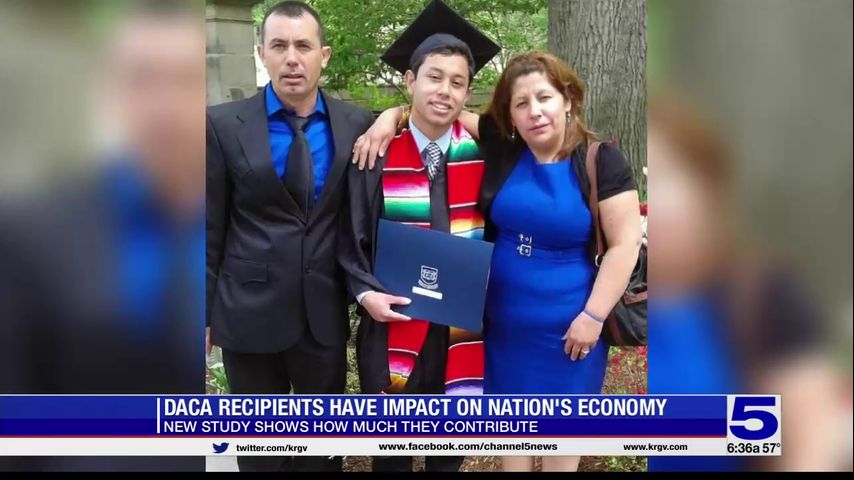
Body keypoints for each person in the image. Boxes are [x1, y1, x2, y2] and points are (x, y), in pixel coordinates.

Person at [355, 51, 642, 472]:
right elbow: (439, 109)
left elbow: (625, 244)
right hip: (503, 328)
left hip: (571, 330)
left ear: (567, 100)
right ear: (510, 115)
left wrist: (594, 316)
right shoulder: (505, 150)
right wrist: (390, 115)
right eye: (520, 103)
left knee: (562, 440)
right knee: (513, 441)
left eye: (544, 97)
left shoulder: (600, 161)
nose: (534, 111)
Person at [206, 0, 374, 472]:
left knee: (322, 454)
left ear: (325, 55)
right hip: (247, 313)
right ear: (262, 53)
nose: (292, 58)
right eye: (279, 46)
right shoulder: (221, 125)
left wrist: (395, 113)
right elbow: (208, 225)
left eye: (303, 46)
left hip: (322, 315)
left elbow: (422, 114)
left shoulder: (356, 124)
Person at [337, 0, 500, 472]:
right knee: (391, 455)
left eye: (457, 82)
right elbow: (350, 237)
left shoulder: (487, 158)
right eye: (434, 77)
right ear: (410, 81)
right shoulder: (374, 153)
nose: (444, 91)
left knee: (448, 456)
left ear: (467, 93)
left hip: (460, 329)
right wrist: (365, 294)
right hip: (390, 323)